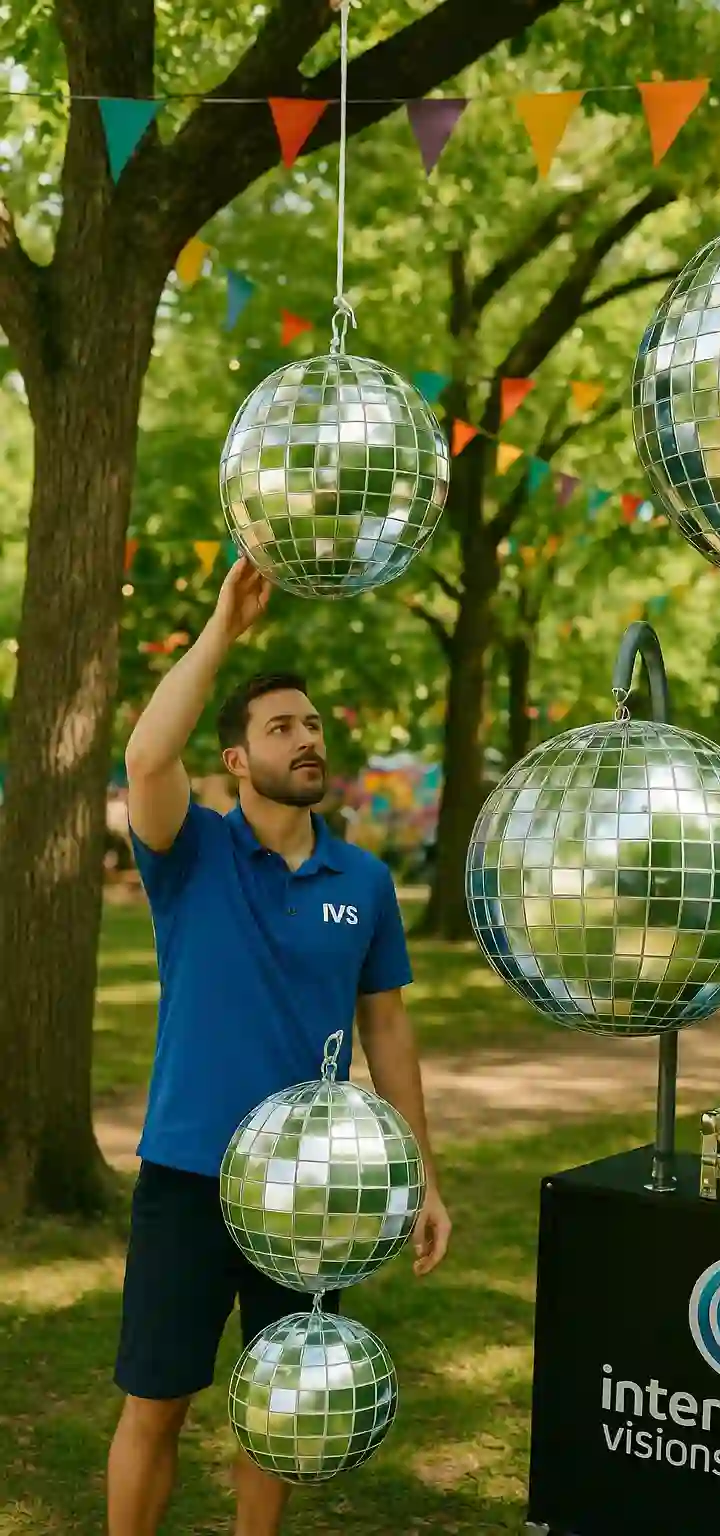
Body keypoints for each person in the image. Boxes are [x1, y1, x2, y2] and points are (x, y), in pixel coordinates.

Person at [107, 557, 452, 1536]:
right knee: (156, 1402)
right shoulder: (191, 850)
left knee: (287, 1406)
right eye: (279, 727)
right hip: (186, 1175)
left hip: (315, 1190)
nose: (306, 739)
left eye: (310, 725)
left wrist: (421, 1171)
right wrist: (221, 629)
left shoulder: (366, 880)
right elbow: (143, 756)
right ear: (234, 760)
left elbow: (387, 1025)